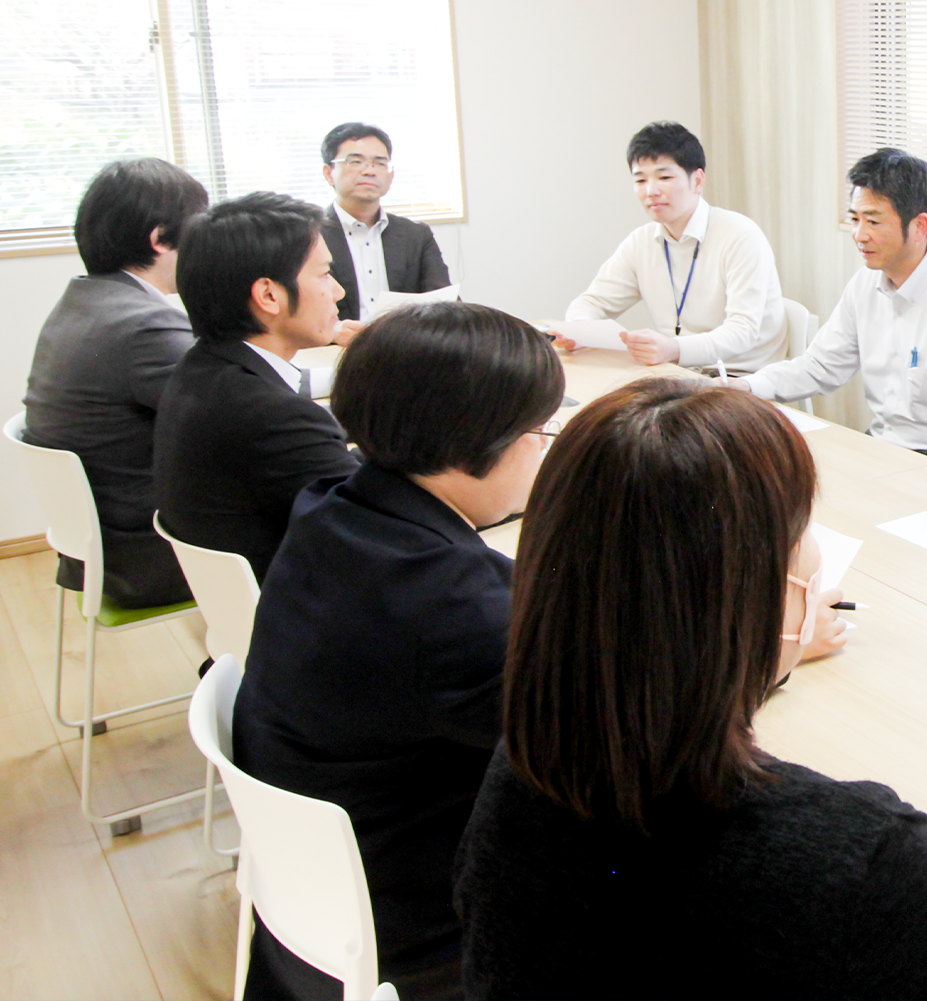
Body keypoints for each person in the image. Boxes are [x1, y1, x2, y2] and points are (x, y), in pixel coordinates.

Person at [454, 380, 927, 999]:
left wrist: (750, 668)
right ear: (745, 599)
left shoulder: (525, 767)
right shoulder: (854, 856)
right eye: (799, 526)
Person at [232, 301, 562, 999]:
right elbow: (610, 741)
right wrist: (772, 649)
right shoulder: (447, 609)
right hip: (419, 917)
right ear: (477, 444)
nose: (544, 448)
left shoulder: (333, 506)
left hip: (317, 887)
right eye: (539, 432)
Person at [726, 148, 927, 461]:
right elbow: (820, 366)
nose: (859, 235)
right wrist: (746, 387)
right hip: (878, 446)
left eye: (873, 221)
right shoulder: (865, 284)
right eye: (855, 219)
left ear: (920, 227)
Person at [21, 158, 207, 609]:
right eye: (202, 231)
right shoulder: (143, 325)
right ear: (160, 238)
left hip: (95, 550)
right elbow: (244, 406)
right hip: (148, 557)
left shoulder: (82, 302)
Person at [154, 191, 361, 581]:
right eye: (324, 275)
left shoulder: (200, 370)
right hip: (301, 616)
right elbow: (385, 531)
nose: (338, 292)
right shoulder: (270, 414)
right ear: (269, 295)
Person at [563, 121, 787, 374]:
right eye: (640, 180)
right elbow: (591, 303)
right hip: (675, 373)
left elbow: (742, 331)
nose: (651, 191)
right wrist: (581, 331)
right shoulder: (641, 241)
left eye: (665, 177)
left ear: (697, 180)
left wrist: (674, 348)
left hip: (740, 377)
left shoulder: (740, 236)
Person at [320, 122, 452, 324]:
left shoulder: (416, 235)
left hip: (401, 346)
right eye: (356, 162)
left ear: (391, 174)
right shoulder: (310, 235)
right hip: (334, 349)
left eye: (380, 163)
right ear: (329, 173)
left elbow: (443, 303)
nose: (369, 171)